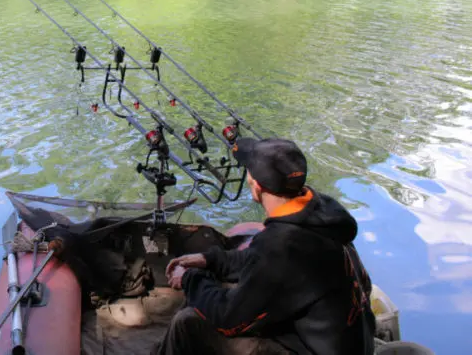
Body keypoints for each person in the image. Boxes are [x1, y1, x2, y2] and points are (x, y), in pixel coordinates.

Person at [155, 138, 375, 355]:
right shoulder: (322, 213)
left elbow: (227, 318)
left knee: (187, 323)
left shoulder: (283, 246)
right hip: (351, 342)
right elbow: (260, 259)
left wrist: (189, 278)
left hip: (310, 348)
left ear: (256, 186)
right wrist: (210, 259)